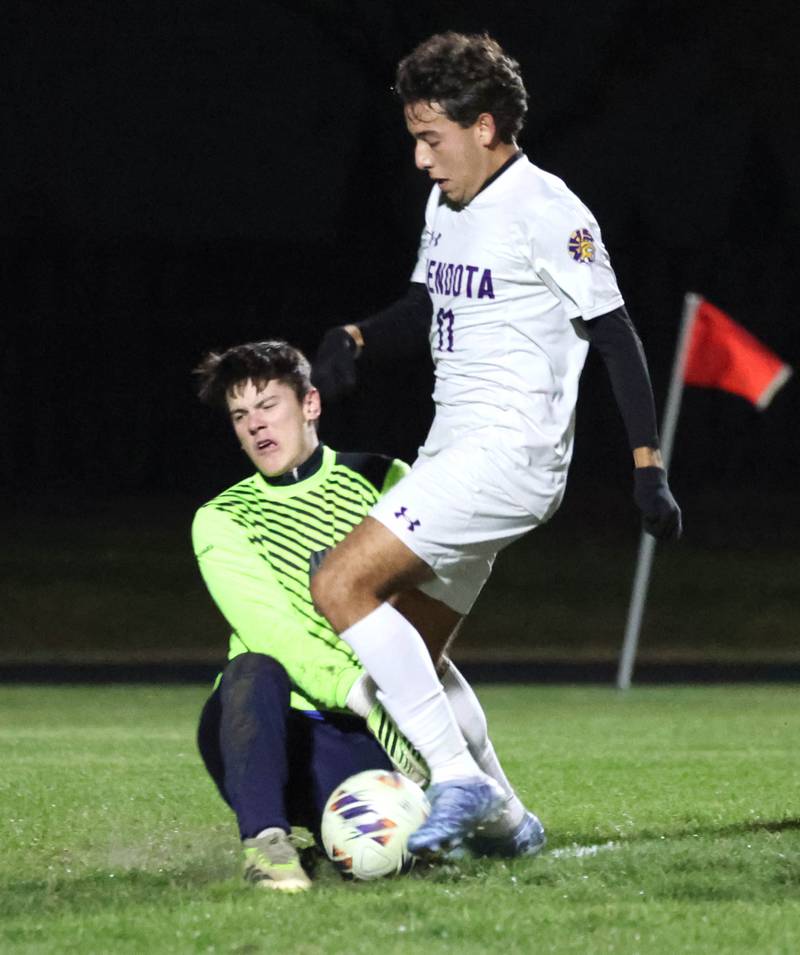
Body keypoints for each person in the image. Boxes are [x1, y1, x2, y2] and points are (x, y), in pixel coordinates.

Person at [310, 32, 682, 857]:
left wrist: (647, 468)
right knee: (404, 660)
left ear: (484, 126)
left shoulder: (548, 209)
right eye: (413, 138)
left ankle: (458, 777)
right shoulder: (446, 204)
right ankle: (511, 823)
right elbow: (426, 305)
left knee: (338, 581)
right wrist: (357, 337)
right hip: (453, 451)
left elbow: (617, 336)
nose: (419, 159)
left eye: (430, 138)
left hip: (511, 454)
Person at [192, 339, 543, 893]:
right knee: (252, 668)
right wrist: (369, 700)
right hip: (268, 733)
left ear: (310, 403)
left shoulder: (384, 480)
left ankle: (494, 809)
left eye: (268, 405)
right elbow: (276, 635)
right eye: (240, 415)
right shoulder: (222, 518)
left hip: (361, 735)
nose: (255, 425)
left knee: (391, 854)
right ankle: (267, 846)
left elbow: (428, 602)